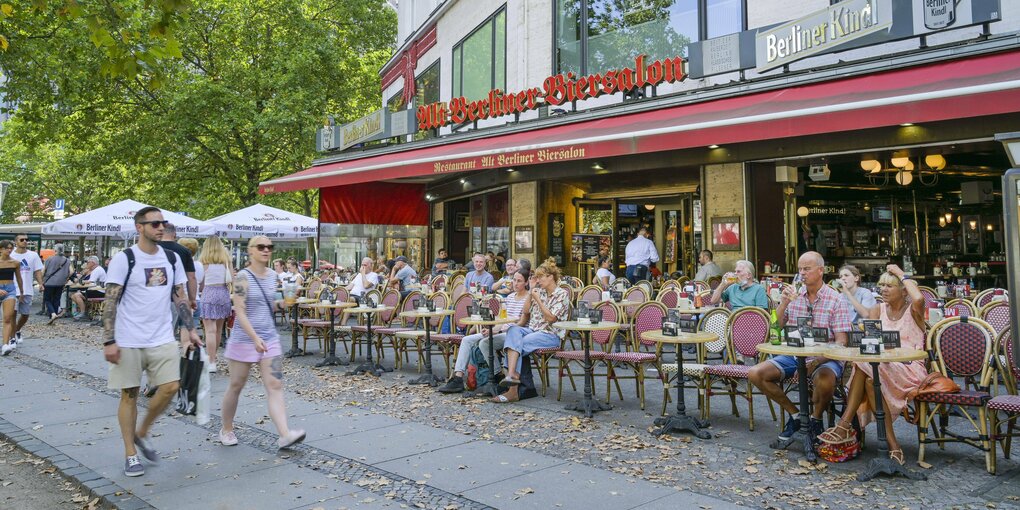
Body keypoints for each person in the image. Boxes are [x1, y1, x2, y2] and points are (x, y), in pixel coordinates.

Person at [102, 207, 198, 477]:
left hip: (161, 337)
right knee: (129, 394)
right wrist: (109, 339)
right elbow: (110, 300)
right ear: (139, 228)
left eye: (162, 223)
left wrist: (191, 329)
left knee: (170, 387)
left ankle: (142, 431)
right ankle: (130, 453)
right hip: (128, 339)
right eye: (154, 223)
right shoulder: (125, 259)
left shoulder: (171, 258)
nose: (160, 227)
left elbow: (179, 296)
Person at [819, 265, 928, 466]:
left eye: (889, 286)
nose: (883, 290)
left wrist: (901, 274)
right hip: (881, 364)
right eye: (881, 285)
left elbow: (919, 298)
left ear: (903, 290)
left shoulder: (913, 310)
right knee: (870, 380)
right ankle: (893, 445)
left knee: (865, 367)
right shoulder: (879, 310)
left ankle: (844, 424)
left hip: (910, 367)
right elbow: (870, 338)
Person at [747, 251, 851, 442]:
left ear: (820, 271)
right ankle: (796, 416)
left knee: (825, 379)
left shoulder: (836, 299)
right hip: (795, 355)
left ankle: (816, 419)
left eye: (807, 269)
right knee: (756, 373)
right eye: (800, 269)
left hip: (826, 357)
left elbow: (842, 342)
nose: (802, 273)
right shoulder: (795, 296)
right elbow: (775, 326)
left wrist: (818, 360)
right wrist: (784, 303)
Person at [219, 236, 305, 450]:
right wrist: (254, 338)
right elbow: (240, 310)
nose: (266, 250)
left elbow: (271, 305)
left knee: (275, 385)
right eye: (261, 247)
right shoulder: (242, 278)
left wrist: (285, 303)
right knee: (236, 385)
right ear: (251, 251)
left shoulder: (273, 276)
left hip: (270, 338)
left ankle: (285, 434)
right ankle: (226, 428)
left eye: (269, 247)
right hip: (244, 339)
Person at [438, 268, 530, 393]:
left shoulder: (528, 298)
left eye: (519, 281)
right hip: (501, 331)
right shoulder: (510, 297)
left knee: (484, 343)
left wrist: (497, 331)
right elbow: (503, 319)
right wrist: (492, 329)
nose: (515, 283)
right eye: (514, 280)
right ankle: (458, 378)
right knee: (466, 339)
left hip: (515, 334)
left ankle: (497, 375)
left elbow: (521, 322)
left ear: (526, 282)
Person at [493, 258, 569, 403]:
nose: (538, 280)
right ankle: (511, 377)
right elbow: (526, 311)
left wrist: (538, 299)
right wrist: (531, 293)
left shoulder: (561, 294)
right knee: (513, 330)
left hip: (550, 334)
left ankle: (512, 389)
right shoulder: (538, 291)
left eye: (540, 277)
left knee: (517, 344)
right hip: (533, 331)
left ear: (550, 277)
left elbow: (551, 319)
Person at [199, 236, 233, 372]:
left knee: (209, 331)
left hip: (209, 293)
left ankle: (211, 360)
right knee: (219, 330)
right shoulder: (226, 261)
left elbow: (200, 283)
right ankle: (214, 358)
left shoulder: (202, 262)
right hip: (223, 294)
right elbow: (231, 279)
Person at [10, 235, 44, 345]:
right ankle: (12, 338)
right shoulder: (10, 254)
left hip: (27, 289)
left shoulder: (33, 255)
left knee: (25, 315)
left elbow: (37, 271)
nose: (25, 241)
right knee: (12, 314)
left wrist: (40, 283)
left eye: (26, 240)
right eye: (22, 240)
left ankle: (17, 330)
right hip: (12, 289)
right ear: (16, 242)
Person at [158, 223, 198, 315]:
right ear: (174, 234)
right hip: (178, 297)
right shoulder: (184, 251)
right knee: (182, 327)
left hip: (157, 298)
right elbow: (191, 277)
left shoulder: (153, 249)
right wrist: (192, 299)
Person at [0, 241, 26, 356]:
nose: (9, 250)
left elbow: (19, 278)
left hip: (10, 290)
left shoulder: (15, 263)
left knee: (7, 318)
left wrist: (21, 292)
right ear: (1, 249)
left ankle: (5, 345)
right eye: (6, 248)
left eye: (10, 248)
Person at [42, 243, 71, 324]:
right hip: (61, 283)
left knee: (47, 299)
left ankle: (53, 314)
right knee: (56, 299)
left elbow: (43, 271)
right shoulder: (67, 260)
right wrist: (66, 278)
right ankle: (52, 317)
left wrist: (41, 282)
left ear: (55, 250)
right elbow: (71, 271)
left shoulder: (49, 259)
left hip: (49, 282)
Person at [71, 256, 107, 321]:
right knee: (73, 296)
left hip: (99, 291)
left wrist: (81, 282)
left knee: (77, 295)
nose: (87, 264)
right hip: (95, 290)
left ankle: (83, 313)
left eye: (88, 262)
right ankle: (85, 312)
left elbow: (90, 282)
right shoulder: (96, 269)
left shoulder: (97, 270)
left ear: (92, 263)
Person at [178, 238, 203, 330]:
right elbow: (201, 286)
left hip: (183, 300)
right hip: (197, 300)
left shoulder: (179, 264)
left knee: (184, 332)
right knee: (193, 330)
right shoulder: (200, 265)